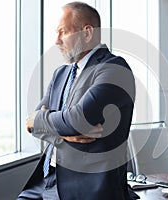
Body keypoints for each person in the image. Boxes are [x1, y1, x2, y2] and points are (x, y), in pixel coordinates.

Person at [18, 2, 137, 200]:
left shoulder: (115, 70)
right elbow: (33, 124)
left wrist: (47, 121)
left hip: (87, 188)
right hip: (46, 181)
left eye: (63, 32)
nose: (56, 41)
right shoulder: (61, 73)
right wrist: (66, 136)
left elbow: (77, 119)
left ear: (87, 33)